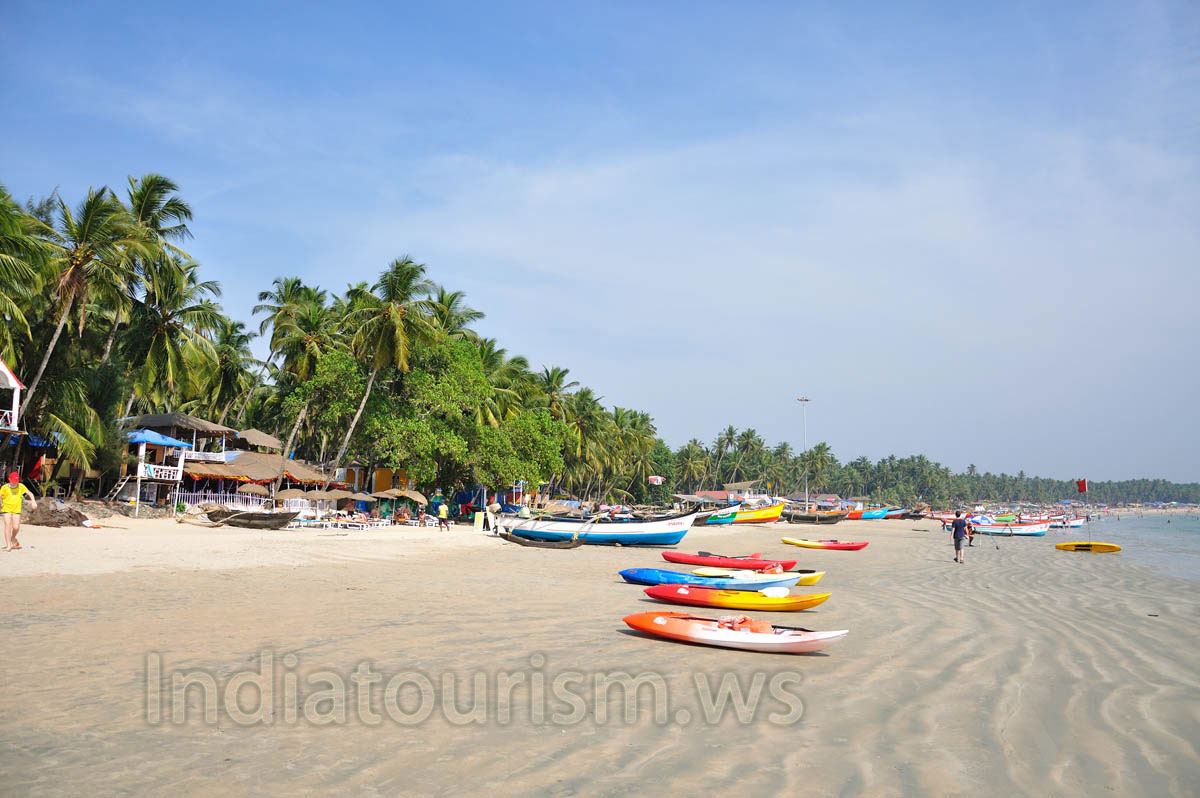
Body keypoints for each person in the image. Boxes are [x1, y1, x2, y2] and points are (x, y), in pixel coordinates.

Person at [2, 471, 37, 551]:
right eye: (13, 481)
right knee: (7, 525)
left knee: (16, 527)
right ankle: (8, 546)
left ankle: (13, 538)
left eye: (16, 481)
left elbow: (30, 494)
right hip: (6, 508)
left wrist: (33, 501)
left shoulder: (21, 486)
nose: (15, 483)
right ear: (9, 479)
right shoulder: (4, 487)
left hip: (16, 509)